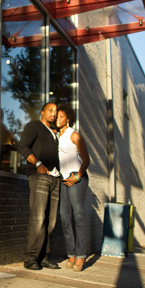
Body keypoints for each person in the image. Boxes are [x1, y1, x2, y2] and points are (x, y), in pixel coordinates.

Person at [18, 102, 62, 270]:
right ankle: (30, 257)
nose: (53, 113)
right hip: (40, 176)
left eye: (56, 111)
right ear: (42, 112)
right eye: (50, 110)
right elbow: (22, 146)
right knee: (38, 218)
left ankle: (43, 256)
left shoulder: (54, 132)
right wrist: (38, 164)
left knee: (51, 221)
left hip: (55, 179)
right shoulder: (35, 125)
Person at [56, 105, 90, 272]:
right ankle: (71, 253)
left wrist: (77, 176)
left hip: (77, 177)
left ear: (67, 118)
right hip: (63, 179)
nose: (57, 119)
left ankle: (80, 255)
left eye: (61, 116)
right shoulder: (56, 137)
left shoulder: (74, 135)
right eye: (56, 117)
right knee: (64, 217)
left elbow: (86, 160)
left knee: (78, 216)